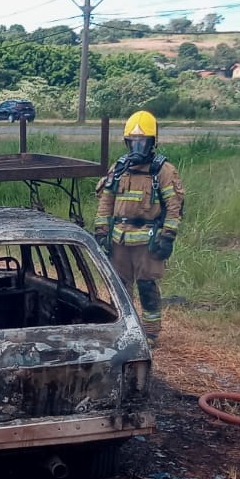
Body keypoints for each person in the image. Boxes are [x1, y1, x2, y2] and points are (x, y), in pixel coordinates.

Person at [93, 109, 184, 346]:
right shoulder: (120, 167)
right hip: (119, 241)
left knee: (146, 286)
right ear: (126, 142)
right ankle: (123, 328)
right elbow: (106, 202)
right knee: (120, 289)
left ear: (153, 142)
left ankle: (151, 333)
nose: (137, 146)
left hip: (148, 242)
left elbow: (174, 207)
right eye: (133, 141)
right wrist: (101, 232)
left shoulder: (163, 171)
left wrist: (168, 237)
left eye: (143, 141)